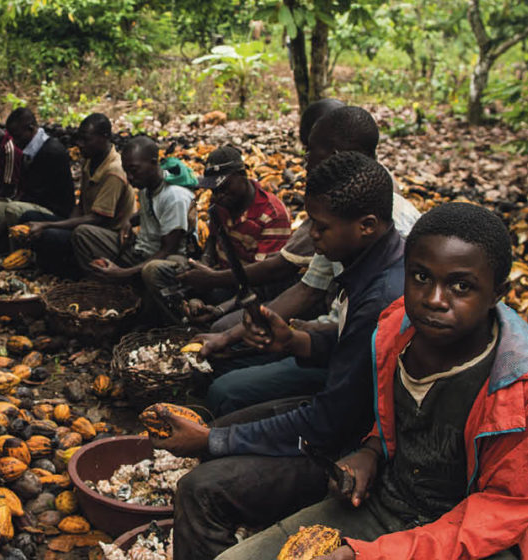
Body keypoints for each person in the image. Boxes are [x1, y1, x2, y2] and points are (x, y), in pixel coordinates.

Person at [215, 203, 528, 560]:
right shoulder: (394, 329)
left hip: (478, 538)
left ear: (497, 292)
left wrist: (374, 555)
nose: (434, 300)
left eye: (461, 286)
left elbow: (504, 510)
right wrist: (370, 452)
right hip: (389, 506)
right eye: (420, 277)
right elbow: (393, 415)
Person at [154, 152, 406, 560]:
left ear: (366, 227)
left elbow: (327, 423)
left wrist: (213, 439)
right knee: (231, 419)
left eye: (320, 228)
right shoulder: (372, 262)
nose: (313, 236)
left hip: (359, 448)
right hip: (347, 418)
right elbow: (357, 353)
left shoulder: (381, 295)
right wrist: (296, 342)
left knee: (199, 488)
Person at [193, 105, 424, 416]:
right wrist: (232, 337)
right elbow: (308, 289)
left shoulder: (377, 234)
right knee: (223, 363)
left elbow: (355, 363)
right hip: (330, 340)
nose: (304, 161)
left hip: (354, 370)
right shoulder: (339, 214)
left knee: (227, 391)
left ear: (337, 153)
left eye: (309, 151)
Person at [178, 99, 344, 300]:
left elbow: (276, 270)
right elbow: (312, 281)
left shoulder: (276, 213)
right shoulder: (219, 207)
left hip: (247, 287)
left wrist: (213, 285)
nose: (305, 160)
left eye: (310, 150)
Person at [73, 135, 196, 325]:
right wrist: (129, 221)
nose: (129, 178)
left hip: (172, 262)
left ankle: (170, 321)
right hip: (141, 251)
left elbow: (167, 250)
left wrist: (122, 272)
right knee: (83, 234)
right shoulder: (146, 186)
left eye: (134, 170)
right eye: (127, 171)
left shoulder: (174, 197)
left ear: (154, 163)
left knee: (151, 269)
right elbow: (149, 212)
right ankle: (110, 299)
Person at [24, 113, 135, 278]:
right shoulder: (90, 160)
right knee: (28, 218)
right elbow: (81, 205)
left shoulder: (114, 171)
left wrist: (49, 226)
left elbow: (97, 219)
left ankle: (72, 275)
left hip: (105, 234)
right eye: (79, 138)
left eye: (86, 139)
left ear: (104, 138)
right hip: (86, 226)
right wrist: (61, 225)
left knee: (49, 234)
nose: (79, 144)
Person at [190, 145, 293, 304]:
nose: (219, 195)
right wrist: (205, 261)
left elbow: (265, 275)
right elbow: (213, 238)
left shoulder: (272, 215)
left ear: (242, 175)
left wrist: (212, 280)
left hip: (251, 287)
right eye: (214, 190)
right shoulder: (220, 204)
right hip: (219, 276)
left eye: (224, 187)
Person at [0, 107, 75, 249]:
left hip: (52, 212)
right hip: (28, 205)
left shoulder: (52, 152)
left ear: (31, 128)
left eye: (17, 137)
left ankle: (15, 253)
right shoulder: (29, 149)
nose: (14, 143)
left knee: (13, 209)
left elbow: (30, 197)